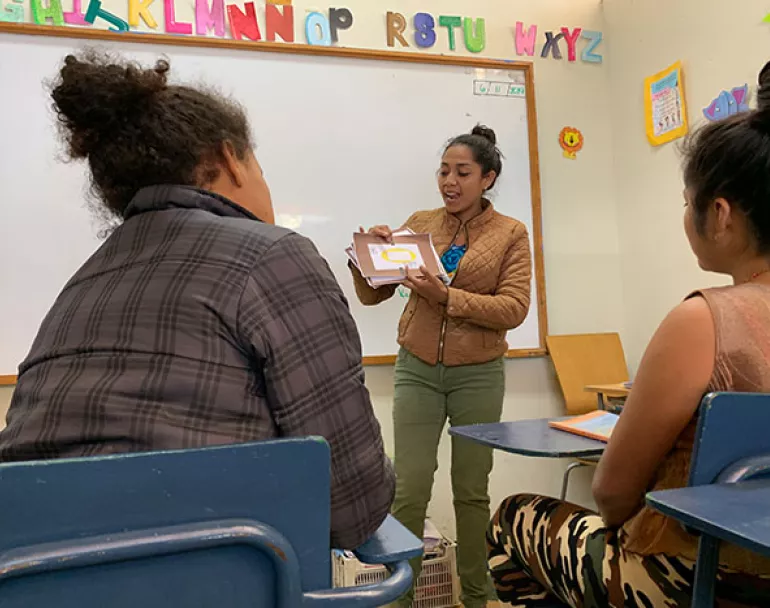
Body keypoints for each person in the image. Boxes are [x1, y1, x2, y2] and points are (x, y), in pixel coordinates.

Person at [0, 52, 394, 551]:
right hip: (205, 579)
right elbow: (353, 507)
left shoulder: (82, 282)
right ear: (228, 159)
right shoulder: (273, 253)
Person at [487, 61, 770, 607]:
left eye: (688, 204)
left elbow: (613, 495)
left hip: (697, 577)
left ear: (721, 214)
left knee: (514, 518)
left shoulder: (703, 319)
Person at [351, 125, 532, 608]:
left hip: (479, 372)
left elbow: (514, 308)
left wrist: (446, 296)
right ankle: (398, 599)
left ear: (487, 178)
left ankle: (478, 595)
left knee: (471, 490)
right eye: (444, 171)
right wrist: (366, 254)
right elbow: (373, 294)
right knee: (409, 489)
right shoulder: (421, 222)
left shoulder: (511, 233)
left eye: (462, 172)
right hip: (417, 367)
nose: (449, 181)